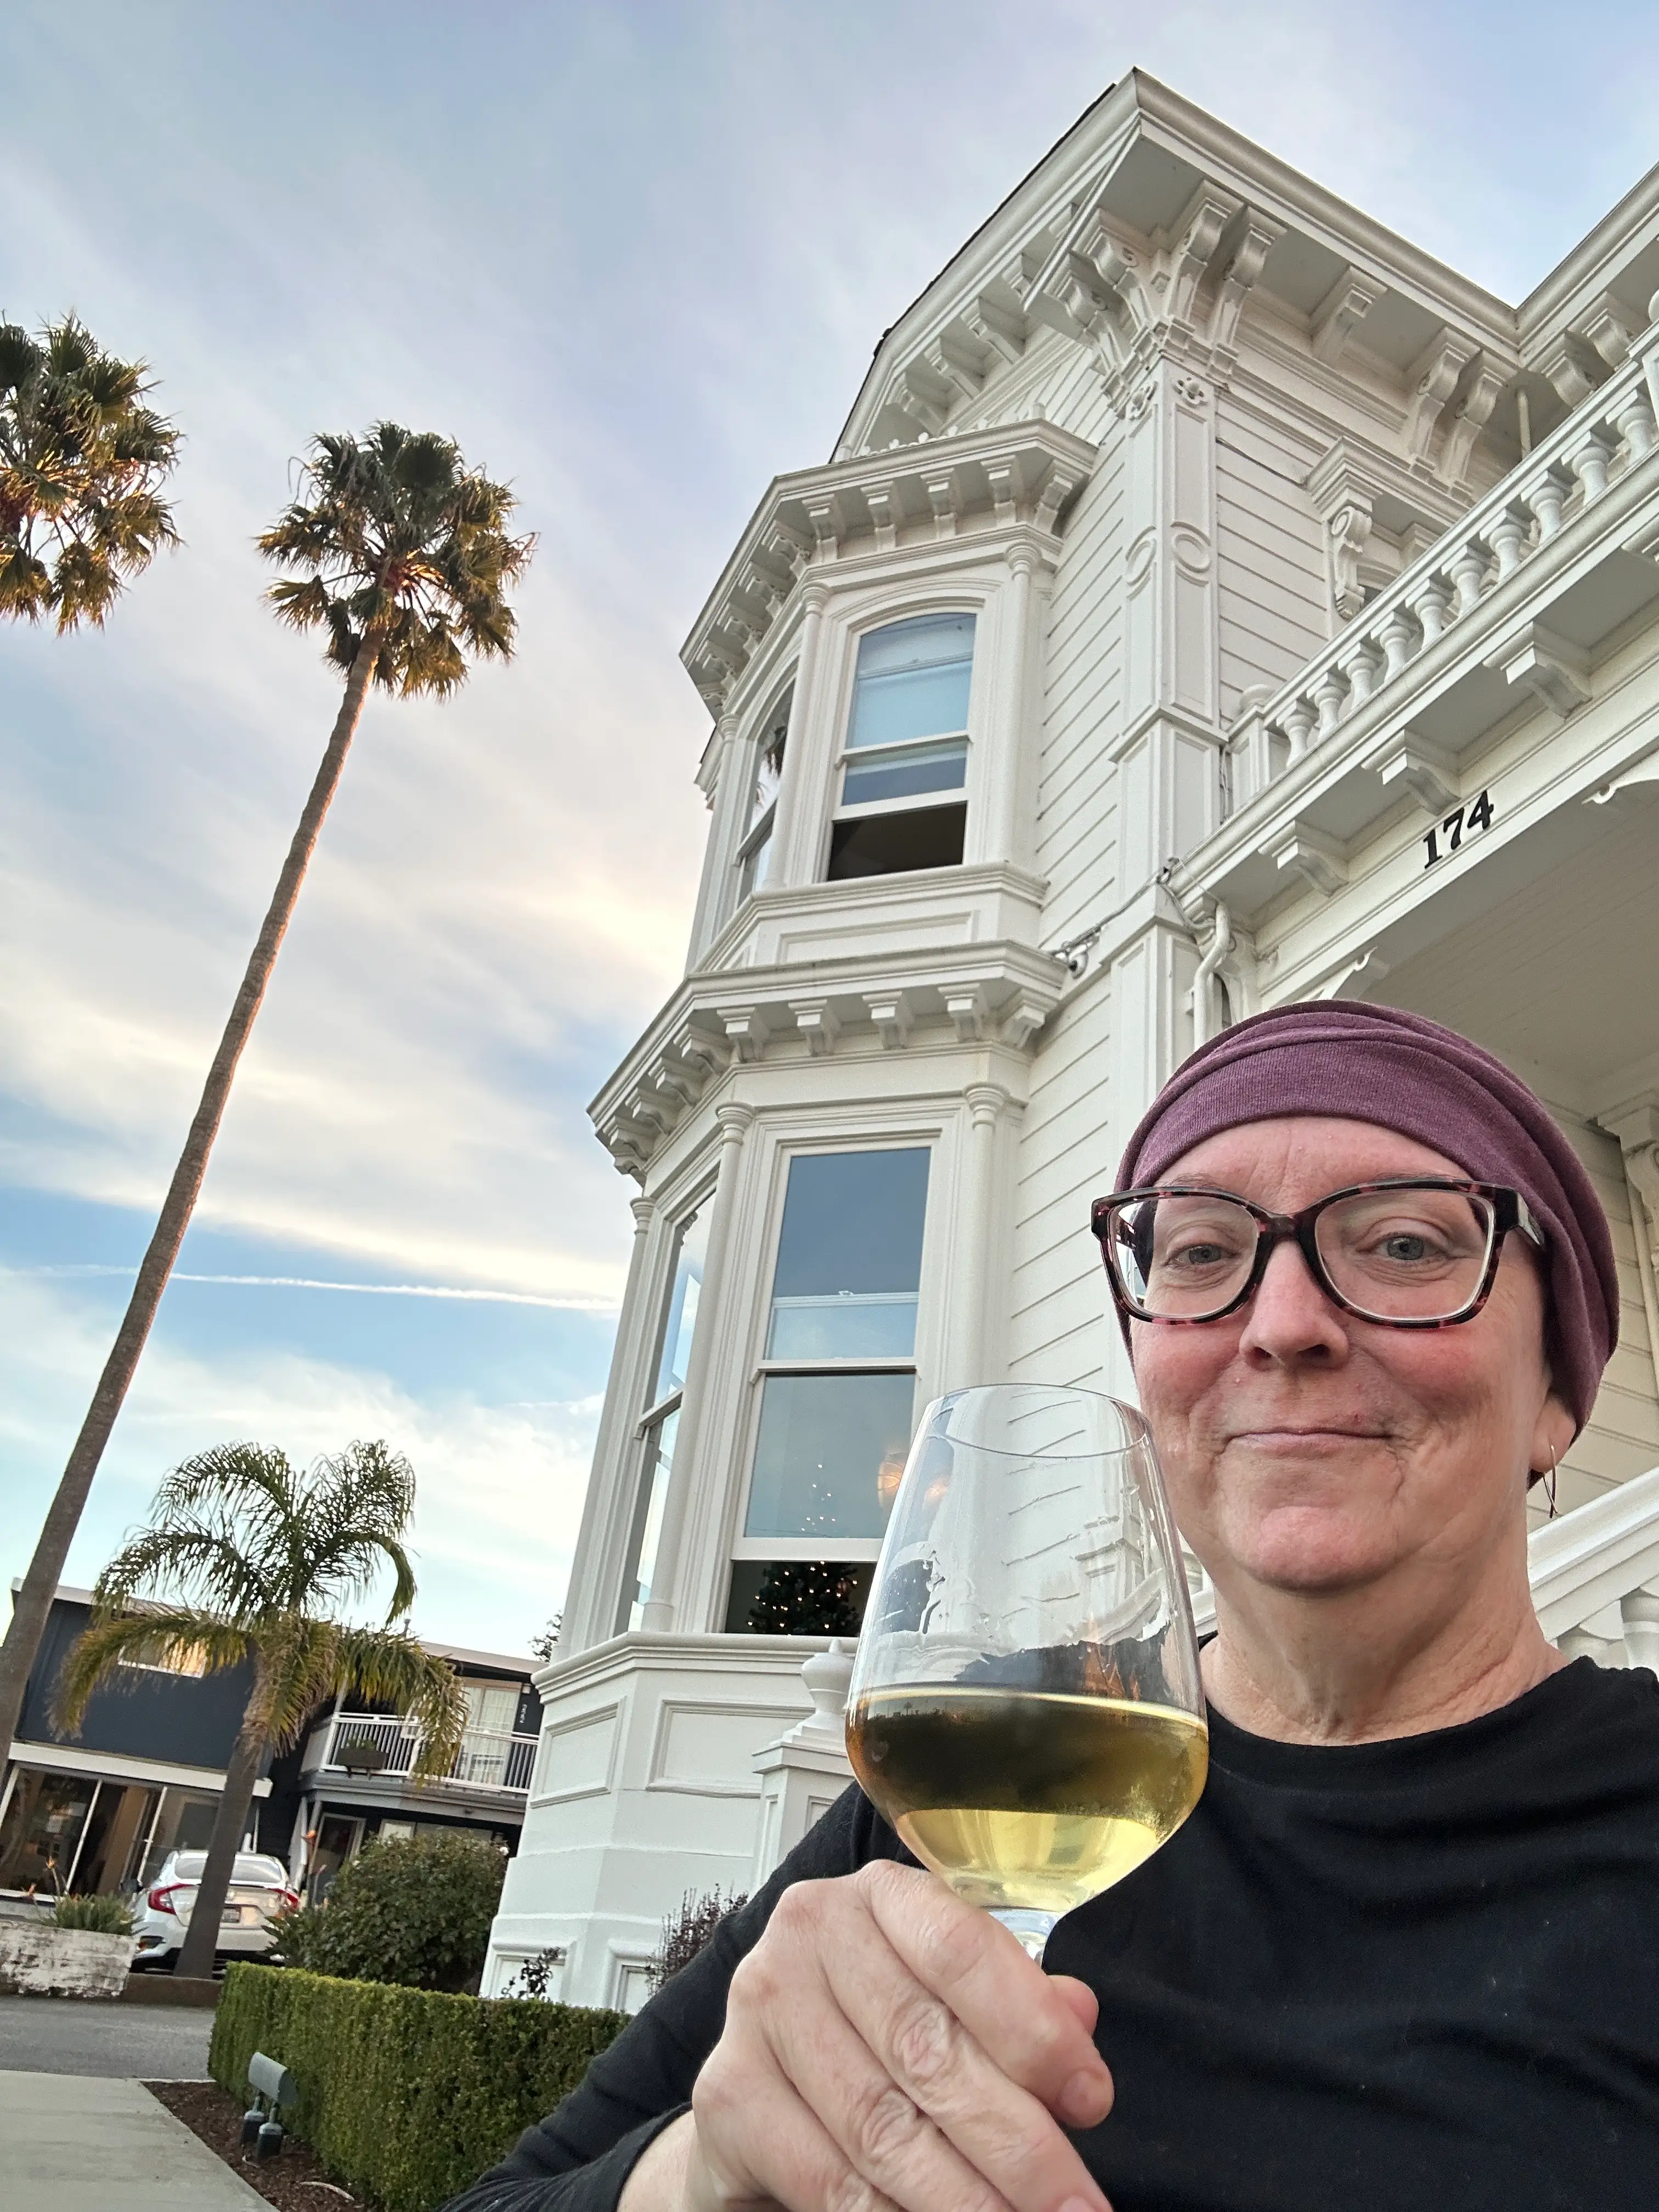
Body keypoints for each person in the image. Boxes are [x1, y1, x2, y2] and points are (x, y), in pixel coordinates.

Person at [448, 1003, 1659, 2212]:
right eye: (1197, 1253)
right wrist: (704, 2175)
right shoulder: (984, 1767)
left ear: (1559, 1390)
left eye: (1402, 1245)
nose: (1285, 1325)